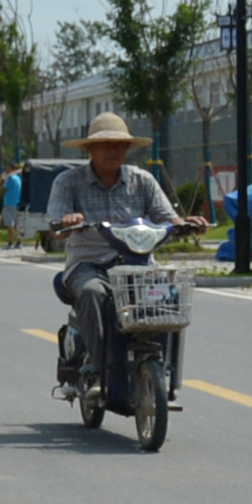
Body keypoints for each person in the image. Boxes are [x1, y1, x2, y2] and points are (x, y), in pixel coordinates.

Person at [50, 114, 205, 389]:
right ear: (89, 149)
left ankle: (165, 369)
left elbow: (167, 218)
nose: (112, 150)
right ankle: (98, 371)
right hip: (89, 265)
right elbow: (56, 228)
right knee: (92, 293)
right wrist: (68, 221)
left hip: (138, 265)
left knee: (170, 295)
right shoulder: (68, 182)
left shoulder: (142, 180)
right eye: (105, 144)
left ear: (127, 149)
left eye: (119, 145)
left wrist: (187, 225)